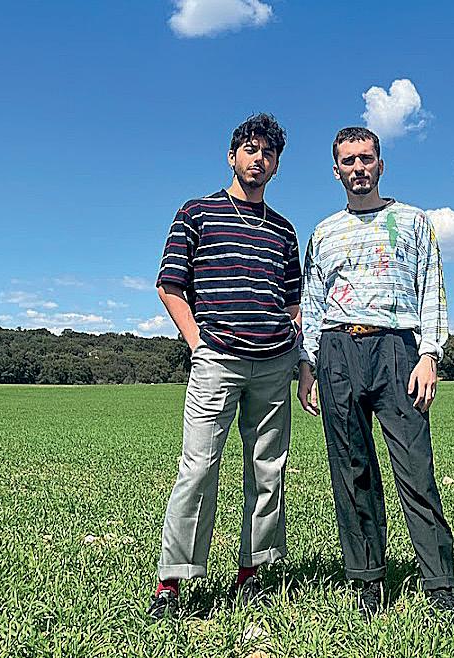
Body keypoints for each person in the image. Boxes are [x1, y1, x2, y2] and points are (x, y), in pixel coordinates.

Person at [297, 126, 454, 616]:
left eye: (366, 159)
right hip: (337, 350)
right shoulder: (323, 232)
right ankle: (367, 579)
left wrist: (429, 354)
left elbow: (432, 287)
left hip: (397, 350)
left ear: (380, 165)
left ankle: (439, 583)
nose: (358, 168)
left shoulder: (413, 221)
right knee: (352, 471)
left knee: (415, 469)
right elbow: (311, 302)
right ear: (336, 171)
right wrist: (307, 365)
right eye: (348, 161)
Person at [147, 114, 302, 619]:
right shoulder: (197, 212)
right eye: (250, 149)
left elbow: (294, 302)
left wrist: (296, 355)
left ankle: (253, 573)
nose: (259, 159)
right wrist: (197, 343)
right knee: (198, 468)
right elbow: (170, 285)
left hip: (274, 363)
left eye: (268, 153)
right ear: (232, 157)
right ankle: (173, 581)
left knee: (268, 470)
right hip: (217, 358)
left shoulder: (284, 230)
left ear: (276, 166)